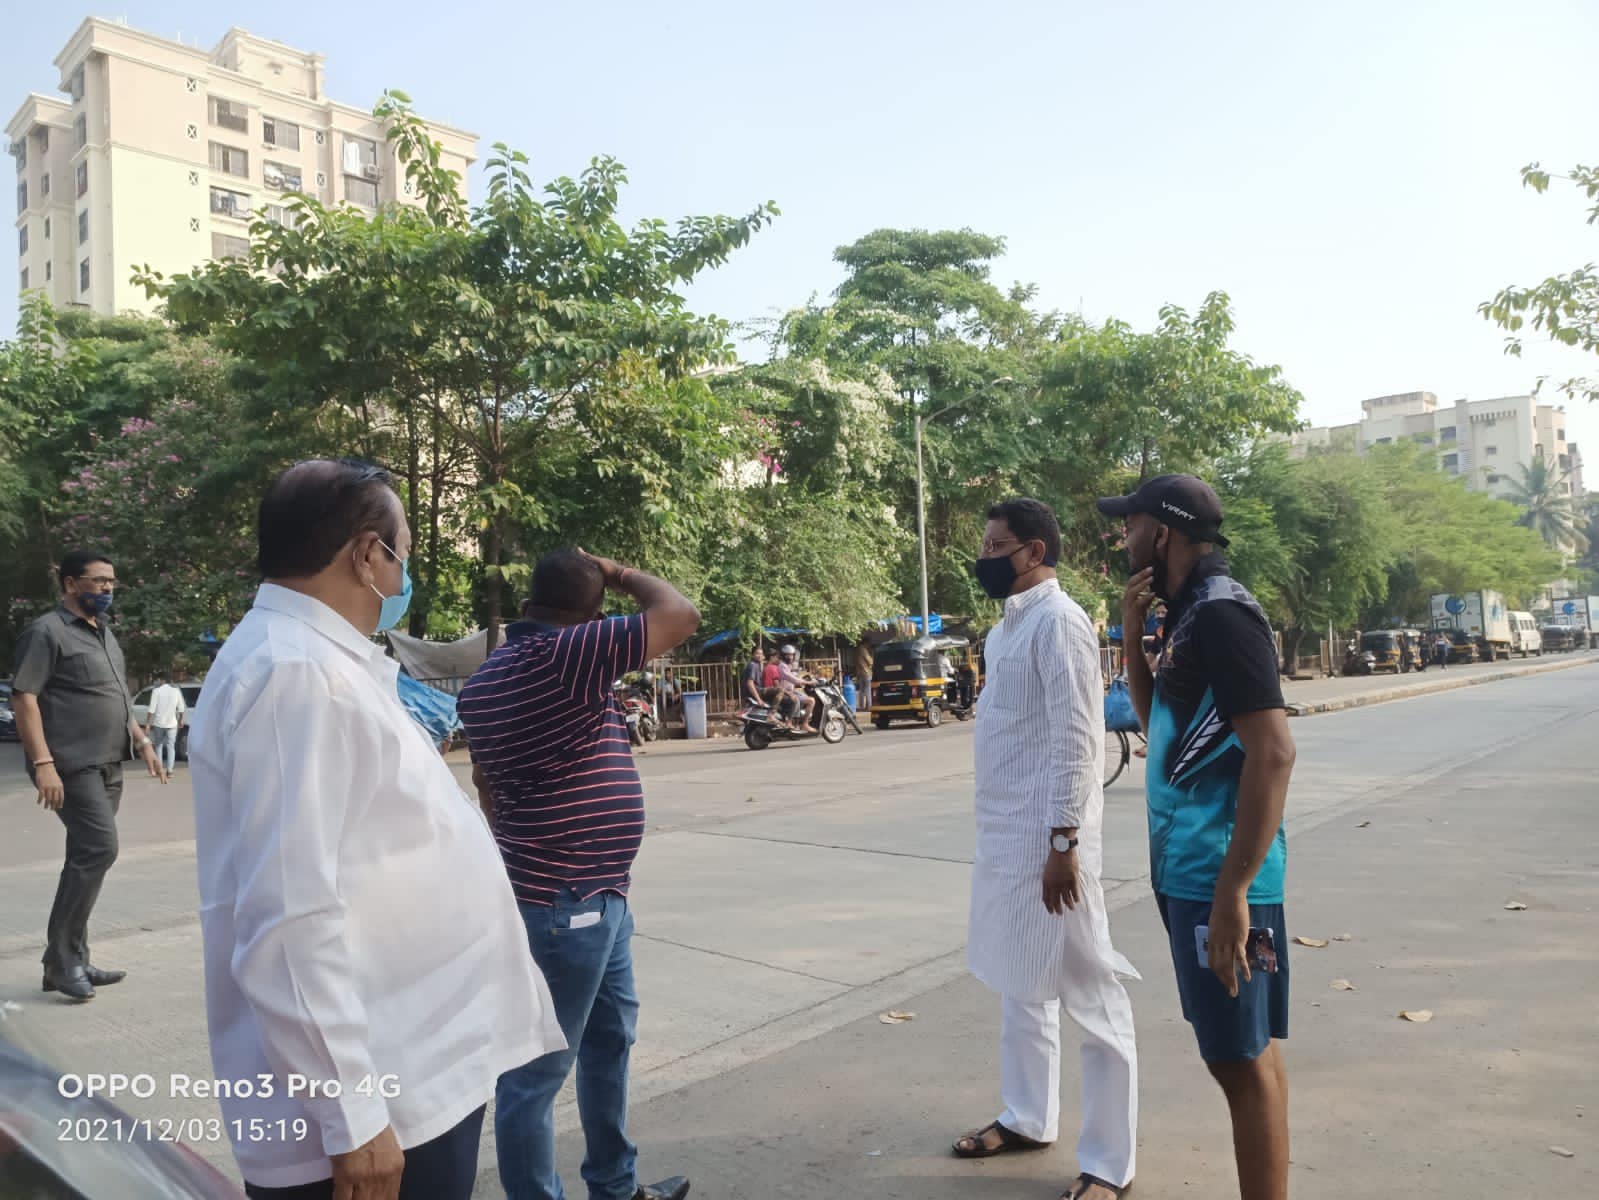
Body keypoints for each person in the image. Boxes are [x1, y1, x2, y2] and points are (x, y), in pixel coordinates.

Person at [189, 460, 564, 1200]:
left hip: (412, 1061)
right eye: (404, 552)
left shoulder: (324, 663)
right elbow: (289, 914)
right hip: (372, 1105)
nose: (405, 571)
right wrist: (352, 1114)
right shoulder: (295, 676)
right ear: (367, 555)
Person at [457, 547, 700, 1200]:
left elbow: (486, 784)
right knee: (535, 1074)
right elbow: (678, 612)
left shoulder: (487, 678)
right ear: (592, 616)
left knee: (607, 1044)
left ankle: (615, 1188)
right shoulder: (564, 655)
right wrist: (622, 571)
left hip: (591, 896)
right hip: (569, 906)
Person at [1098, 475, 1297, 1200]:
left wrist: (1232, 893)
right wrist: (1129, 635)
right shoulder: (1185, 616)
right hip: (1189, 870)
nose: (1123, 538)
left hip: (1218, 875)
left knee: (1238, 1063)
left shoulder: (1221, 614)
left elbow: (1273, 752)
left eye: (1130, 525)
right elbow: (1158, 732)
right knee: (1243, 1056)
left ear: (1163, 533)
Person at [953, 498, 1139, 1200]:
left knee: (1090, 991)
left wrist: (1062, 839)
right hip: (1004, 835)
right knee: (1018, 980)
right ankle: (1027, 1116)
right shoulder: (1008, 630)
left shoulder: (1059, 625)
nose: (984, 559)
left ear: (1032, 552)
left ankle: (1107, 1164)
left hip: (1051, 842)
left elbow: (1076, 739)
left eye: (995, 546)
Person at [12, 550, 167, 1002]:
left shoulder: (105, 634)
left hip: (109, 762)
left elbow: (117, 696)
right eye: (98, 581)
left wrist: (142, 743)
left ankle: (65, 958)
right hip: (70, 764)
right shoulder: (46, 631)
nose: (106, 589)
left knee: (87, 857)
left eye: (111, 583)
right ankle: (63, 961)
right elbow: (25, 698)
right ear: (70, 584)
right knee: (100, 848)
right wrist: (43, 764)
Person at [144, 672, 186, 774]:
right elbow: (181, 709)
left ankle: (160, 769)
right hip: (172, 724)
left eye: (158, 680)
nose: (158, 681)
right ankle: (170, 770)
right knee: (171, 746)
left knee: (158, 746)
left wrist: (148, 724)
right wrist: (180, 721)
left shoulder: (156, 691)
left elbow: (151, 710)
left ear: (162, 680)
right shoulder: (176, 691)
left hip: (159, 724)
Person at [775, 644, 814, 730]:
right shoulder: (782, 666)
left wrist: (799, 683)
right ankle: (803, 724)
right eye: (788, 655)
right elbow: (791, 678)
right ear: (783, 655)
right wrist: (809, 682)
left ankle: (797, 722)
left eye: (792, 655)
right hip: (785, 693)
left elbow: (791, 679)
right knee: (811, 701)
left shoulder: (788, 666)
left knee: (806, 698)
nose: (790, 657)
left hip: (790, 690)